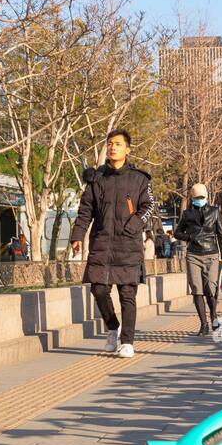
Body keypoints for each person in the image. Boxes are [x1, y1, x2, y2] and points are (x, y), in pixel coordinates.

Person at [70, 128, 154, 358]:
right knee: (98, 289)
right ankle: (112, 326)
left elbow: (148, 207)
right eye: (109, 143)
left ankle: (127, 341)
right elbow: (85, 210)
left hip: (128, 245)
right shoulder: (97, 179)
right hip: (101, 244)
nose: (112, 147)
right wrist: (77, 236)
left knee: (127, 294)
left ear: (127, 149)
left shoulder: (139, 179)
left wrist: (134, 225)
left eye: (117, 144)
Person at [175, 184, 222, 338]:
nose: (200, 200)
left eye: (202, 197)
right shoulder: (187, 214)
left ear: (206, 197)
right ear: (192, 198)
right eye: (197, 197)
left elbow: (221, 235)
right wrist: (190, 237)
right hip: (193, 255)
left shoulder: (215, 211)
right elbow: (178, 233)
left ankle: (213, 316)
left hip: (212, 255)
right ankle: (203, 324)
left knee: (211, 290)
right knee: (197, 290)